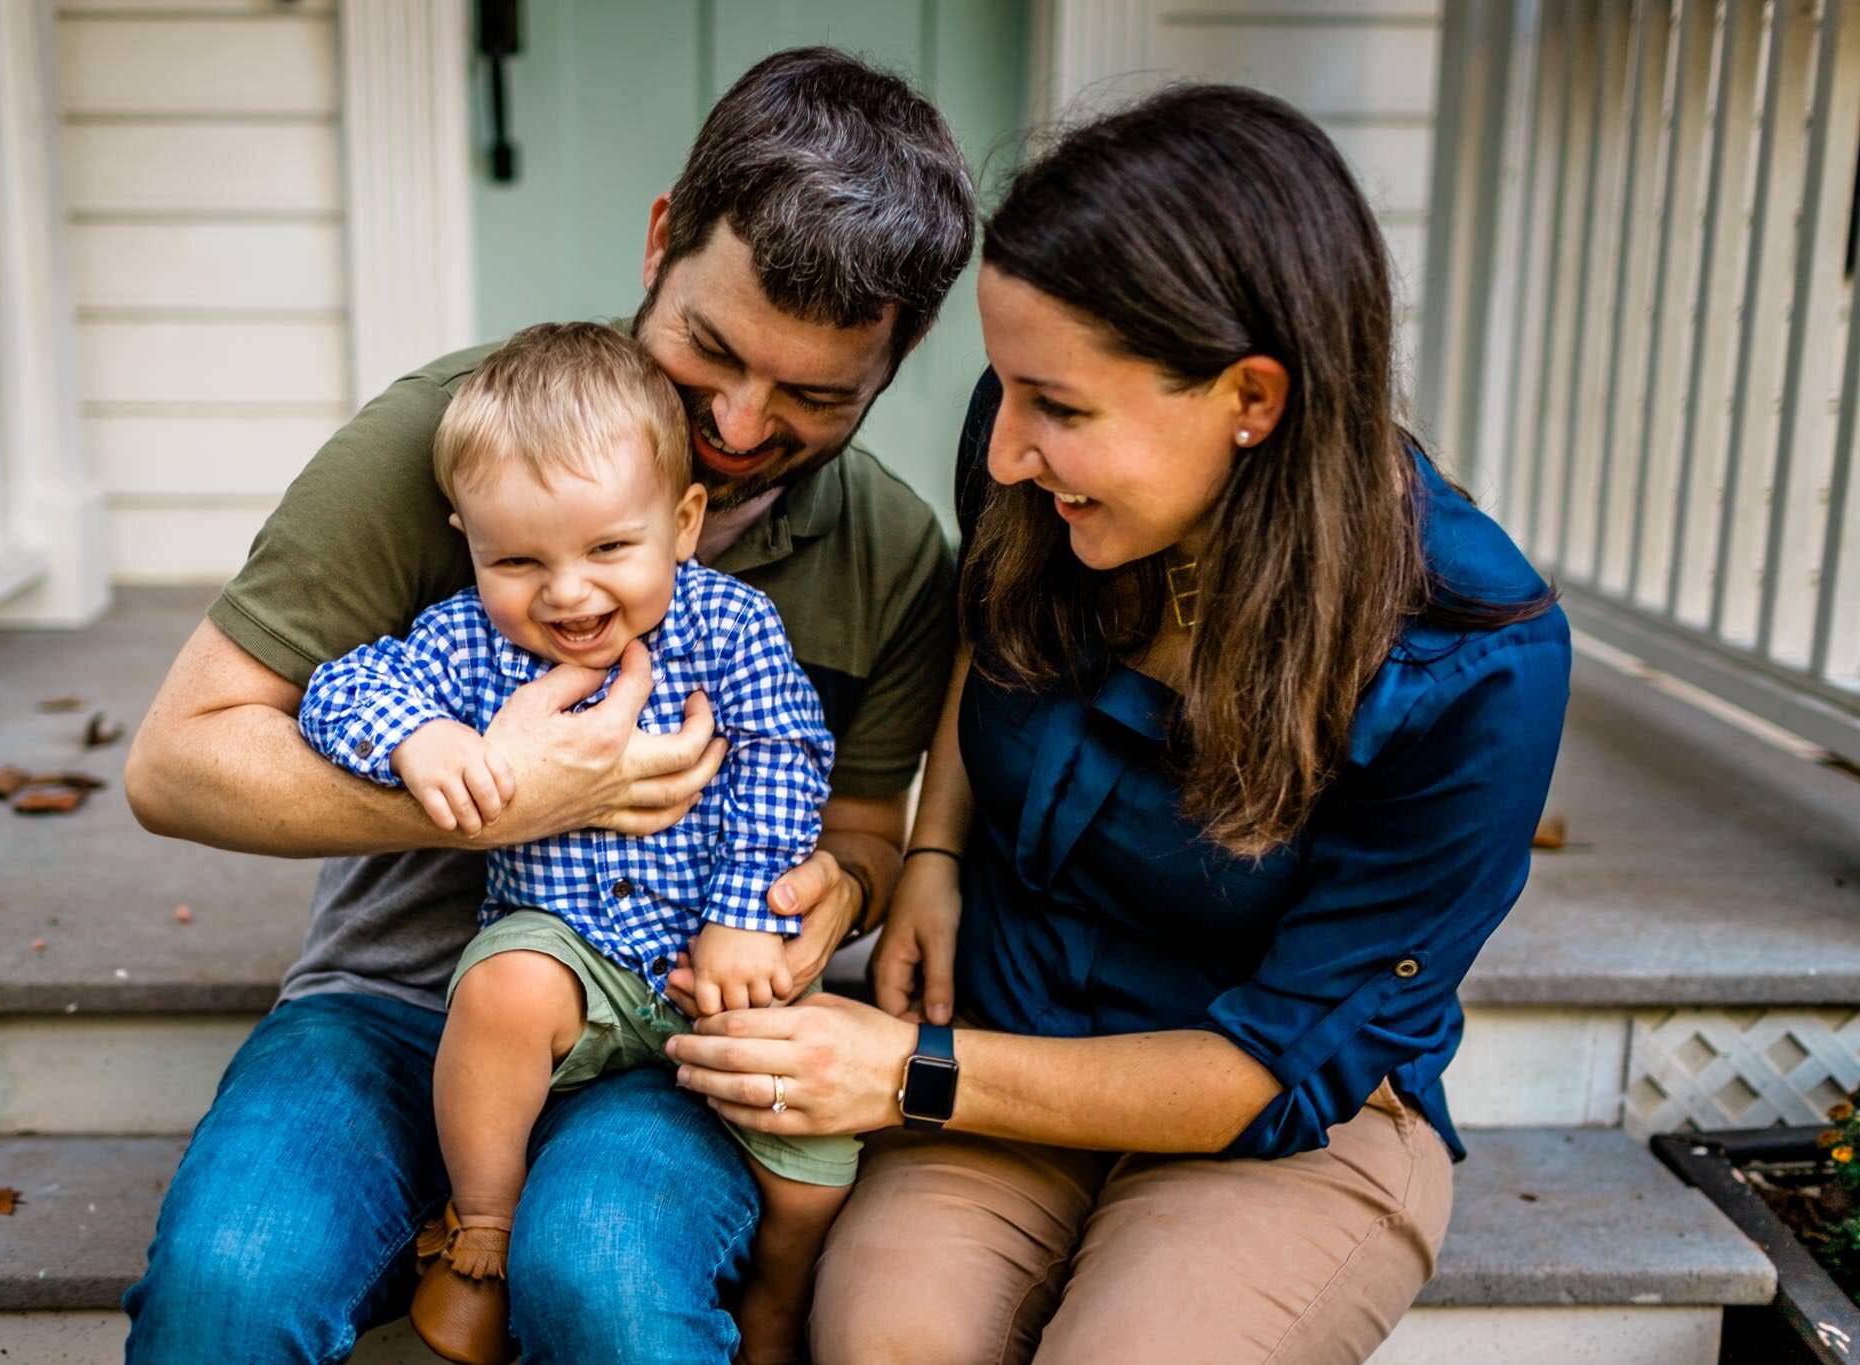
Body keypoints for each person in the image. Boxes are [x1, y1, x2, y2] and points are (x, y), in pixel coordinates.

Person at [663, 84, 1574, 1363]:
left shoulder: (1474, 662)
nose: (1001, 456)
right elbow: (993, 611)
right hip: (1007, 1027)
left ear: (1248, 398)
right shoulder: (1035, 455)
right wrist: (933, 847)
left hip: (1269, 1129)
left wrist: (907, 1073)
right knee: (884, 1343)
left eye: (1060, 411)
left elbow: (1264, 1069)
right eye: (1008, 390)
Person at [120, 49, 975, 1364]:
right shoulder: (453, 440)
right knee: (231, 1284)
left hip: (678, 1034)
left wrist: (821, 911)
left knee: (612, 1282)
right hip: (397, 1002)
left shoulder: (892, 556)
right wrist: (490, 798)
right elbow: (177, 763)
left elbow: (859, 834)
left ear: (899, 360)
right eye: (714, 351)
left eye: (816, 396)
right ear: (658, 240)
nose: (741, 425)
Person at [297, 323, 855, 1365]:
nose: (566, 593)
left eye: (607, 549)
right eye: (517, 559)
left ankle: (782, 1288)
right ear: (466, 538)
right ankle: (484, 1236)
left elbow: (786, 755)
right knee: (502, 988)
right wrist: (418, 735)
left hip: (713, 959)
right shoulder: (466, 638)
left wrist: (744, 917)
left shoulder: (729, 627)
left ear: (682, 522)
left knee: (810, 1140)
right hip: (574, 954)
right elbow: (342, 685)